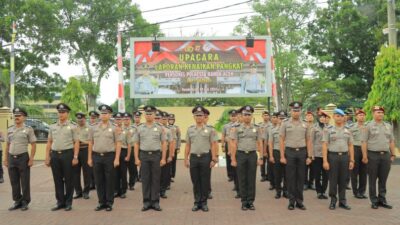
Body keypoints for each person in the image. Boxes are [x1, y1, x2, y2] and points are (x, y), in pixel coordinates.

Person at [45, 103, 79, 211]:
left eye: (63, 112)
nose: (61, 114)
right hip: (55, 155)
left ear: (68, 113)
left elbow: (76, 142)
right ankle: (60, 202)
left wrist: (75, 157)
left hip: (67, 154)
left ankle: (68, 202)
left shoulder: (73, 126)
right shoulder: (52, 126)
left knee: (69, 179)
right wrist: (47, 157)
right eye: (59, 112)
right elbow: (49, 142)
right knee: (57, 180)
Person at [88, 104, 122, 212]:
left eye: (105, 113)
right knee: (99, 181)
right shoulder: (93, 128)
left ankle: (109, 203)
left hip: (109, 157)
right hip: (97, 156)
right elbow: (90, 143)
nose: (103, 115)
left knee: (109, 180)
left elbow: (118, 143)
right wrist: (89, 158)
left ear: (110, 114)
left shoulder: (114, 128)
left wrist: (117, 159)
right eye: (102, 113)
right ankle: (101, 202)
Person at [361, 106, 396, 209]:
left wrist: (393, 154)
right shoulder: (368, 126)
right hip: (372, 155)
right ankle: (374, 200)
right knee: (372, 179)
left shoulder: (388, 126)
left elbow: (391, 141)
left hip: (385, 155)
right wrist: (364, 156)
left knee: (383, 179)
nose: (380, 114)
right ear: (373, 114)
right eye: (377, 112)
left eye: (381, 112)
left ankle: (382, 199)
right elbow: (364, 141)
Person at [133, 105, 167, 212]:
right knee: (145, 180)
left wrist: (163, 158)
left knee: (156, 179)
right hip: (144, 155)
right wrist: (136, 158)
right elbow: (136, 144)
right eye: (147, 114)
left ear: (154, 114)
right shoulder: (140, 128)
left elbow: (164, 143)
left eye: (151, 113)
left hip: (156, 155)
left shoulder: (160, 128)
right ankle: (146, 202)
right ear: (144, 115)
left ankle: (155, 202)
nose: (149, 115)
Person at [184, 106, 218, 212]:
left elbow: (213, 145)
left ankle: (204, 203)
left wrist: (213, 159)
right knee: (195, 181)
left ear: (204, 117)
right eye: (197, 115)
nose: (199, 117)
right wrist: (185, 158)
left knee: (204, 181)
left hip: (205, 157)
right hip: (194, 158)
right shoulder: (190, 130)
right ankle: (196, 202)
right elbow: (187, 145)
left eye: (201, 115)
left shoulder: (210, 130)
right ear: (194, 117)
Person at [280, 101, 312, 210]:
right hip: (290, 152)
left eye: (298, 111)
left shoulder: (305, 123)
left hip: (302, 153)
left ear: (301, 111)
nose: (296, 112)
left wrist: (309, 156)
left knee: (301, 178)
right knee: (290, 178)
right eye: (294, 110)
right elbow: (281, 140)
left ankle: (299, 201)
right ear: (291, 111)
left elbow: (308, 140)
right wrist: (282, 156)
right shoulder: (285, 123)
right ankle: (291, 201)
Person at [230, 105, 263, 210]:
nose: (247, 116)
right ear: (241, 116)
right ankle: (244, 202)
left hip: (252, 155)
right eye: (245, 114)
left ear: (251, 115)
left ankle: (251, 201)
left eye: (249, 114)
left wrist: (261, 157)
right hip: (241, 155)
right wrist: (233, 159)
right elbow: (234, 144)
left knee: (251, 179)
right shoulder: (236, 129)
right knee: (242, 179)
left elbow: (260, 143)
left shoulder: (257, 128)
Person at [4, 107, 36, 211]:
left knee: (24, 181)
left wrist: (31, 159)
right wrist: (5, 159)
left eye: (19, 116)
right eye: (15, 115)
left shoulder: (28, 129)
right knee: (14, 181)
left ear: (24, 117)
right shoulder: (10, 129)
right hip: (11, 157)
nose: (16, 117)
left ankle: (25, 201)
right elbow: (7, 145)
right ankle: (17, 200)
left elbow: (33, 145)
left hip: (23, 157)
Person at [322, 109, 354, 210]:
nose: (339, 118)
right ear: (334, 117)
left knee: (343, 180)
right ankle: (333, 200)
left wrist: (352, 160)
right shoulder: (328, 129)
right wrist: (325, 161)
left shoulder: (348, 130)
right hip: (333, 157)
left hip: (345, 157)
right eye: (337, 116)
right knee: (333, 179)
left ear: (343, 117)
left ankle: (342, 201)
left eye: (341, 116)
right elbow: (324, 145)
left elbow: (350, 145)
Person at [309, 111, 330, 200]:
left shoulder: (329, 128)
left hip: (326, 154)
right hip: (317, 154)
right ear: (318, 118)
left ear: (326, 119)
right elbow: (311, 142)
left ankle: (323, 191)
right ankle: (318, 192)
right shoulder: (314, 128)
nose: (322, 118)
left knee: (326, 174)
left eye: (324, 117)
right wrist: (311, 154)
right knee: (317, 174)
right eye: (321, 117)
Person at [269, 111, 288, 199]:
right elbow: (270, 143)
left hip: (287, 152)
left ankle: (286, 191)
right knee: (277, 174)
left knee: (287, 174)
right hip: (276, 152)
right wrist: (271, 156)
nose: (282, 120)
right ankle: (278, 191)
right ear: (277, 119)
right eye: (280, 118)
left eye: (284, 118)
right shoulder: (272, 130)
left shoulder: (289, 129)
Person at [349, 109, 367, 199]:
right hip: (355, 149)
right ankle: (355, 192)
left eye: (363, 115)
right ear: (356, 117)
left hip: (365, 150)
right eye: (360, 115)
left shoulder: (368, 126)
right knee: (354, 172)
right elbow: (349, 141)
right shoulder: (351, 127)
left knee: (364, 172)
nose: (362, 117)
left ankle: (362, 191)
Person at [73, 112, 92, 200]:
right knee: (75, 173)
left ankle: (86, 192)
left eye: (81, 119)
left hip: (85, 150)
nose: (80, 121)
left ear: (84, 118)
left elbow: (92, 142)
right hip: (75, 151)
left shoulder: (89, 128)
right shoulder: (74, 128)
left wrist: (83, 141)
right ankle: (78, 192)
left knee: (86, 172)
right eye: (78, 119)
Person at [113, 112, 132, 199]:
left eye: (120, 119)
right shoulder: (112, 129)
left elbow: (129, 144)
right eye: (116, 119)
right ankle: (116, 190)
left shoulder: (126, 131)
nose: (118, 121)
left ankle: (123, 191)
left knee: (123, 173)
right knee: (115, 173)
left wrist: (128, 155)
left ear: (122, 120)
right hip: (114, 152)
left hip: (123, 152)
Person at [160, 111, 176, 198]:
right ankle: (156, 190)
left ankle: (163, 190)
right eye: (162, 118)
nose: (164, 120)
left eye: (165, 119)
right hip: (156, 153)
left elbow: (172, 143)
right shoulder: (157, 129)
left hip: (165, 153)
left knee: (165, 173)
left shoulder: (169, 130)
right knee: (156, 173)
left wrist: (170, 155)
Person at [221, 109, 238, 182]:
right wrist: (222, 145)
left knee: (236, 159)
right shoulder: (225, 126)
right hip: (228, 144)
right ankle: (230, 175)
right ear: (229, 117)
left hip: (236, 145)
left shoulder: (239, 125)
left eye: (234, 116)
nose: (233, 117)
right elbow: (223, 135)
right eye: (232, 116)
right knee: (229, 160)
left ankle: (236, 175)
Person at [259, 110, 272, 185]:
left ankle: (269, 175)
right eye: (264, 115)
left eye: (267, 115)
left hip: (269, 144)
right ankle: (263, 175)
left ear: (269, 116)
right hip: (262, 143)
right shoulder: (260, 125)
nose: (266, 116)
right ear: (262, 116)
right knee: (262, 160)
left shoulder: (271, 125)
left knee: (270, 161)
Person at [168, 114, 181, 183]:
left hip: (175, 147)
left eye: (172, 119)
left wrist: (178, 147)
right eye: (170, 119)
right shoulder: (165, 127)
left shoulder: (177, 128)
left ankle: (172, 175)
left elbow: (179, 138)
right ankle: (168, 175)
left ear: (174, 120)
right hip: (168, 147)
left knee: (173, 162)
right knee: (168, 162)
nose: (171, 121)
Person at [88, 111, 99, 190]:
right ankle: (91, 183)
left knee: (96, 168)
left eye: (94, 118)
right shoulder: (88, 127)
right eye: (91, 118)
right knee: (89, 168)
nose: (92, 120)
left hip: (96, 150)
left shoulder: (98, 127)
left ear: (97, 118)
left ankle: (96, 182)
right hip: (88, 149)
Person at [304, 111, 315, 190]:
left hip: (314, 150)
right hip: (304, 149)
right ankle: (305, 183)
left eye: (311, 116)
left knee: (313, 168)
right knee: (304, 167)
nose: (309, 117)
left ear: (313, 118)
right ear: (305, 117)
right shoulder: (303, 126)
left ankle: (311, 182)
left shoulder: (316, 127)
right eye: (308, 116)